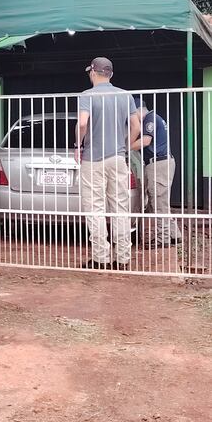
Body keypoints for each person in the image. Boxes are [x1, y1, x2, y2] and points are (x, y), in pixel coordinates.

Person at [75, 57, 141, 270]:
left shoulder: (87, 95)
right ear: (110, 74)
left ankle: (100, 258)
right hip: (118, 158)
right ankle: (123, 259)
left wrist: (78, 145)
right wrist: (125, 146)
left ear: (93, 72)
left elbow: (82, 123)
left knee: (95, 208)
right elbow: (136, 126)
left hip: (93, 159)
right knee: (120, 207)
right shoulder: (125, 95)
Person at [131, 96, 182, 247]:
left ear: (137, 110)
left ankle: (162, 239)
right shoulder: (153, 118)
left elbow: (146, 141)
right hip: (158, 163)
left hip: (159, 164)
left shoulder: (150, 119)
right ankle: (174, 234)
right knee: (159, 202)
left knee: (159, 203)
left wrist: (125, 147)